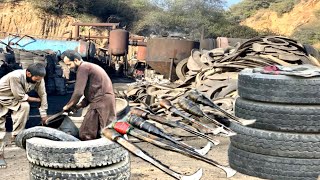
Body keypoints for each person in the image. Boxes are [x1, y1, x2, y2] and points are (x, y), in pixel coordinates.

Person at [61, 50, 116, 141]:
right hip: (100, 101)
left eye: (69, 64)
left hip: (103, 101)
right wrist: (78, 106)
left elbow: (78, 92)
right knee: (87, 132)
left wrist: (68, 105)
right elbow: (90, 93)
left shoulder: (83, 68)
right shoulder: (88, 67)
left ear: (76, 60)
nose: (69, 67)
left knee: (106, 132)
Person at [0, 63, 48, 143]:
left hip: (14, 98)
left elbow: (42, 94)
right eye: (36, 79)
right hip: (2, 97)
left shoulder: (39, 78)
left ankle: (16, 136)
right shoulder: (15, 76)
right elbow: (20, 96)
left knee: (25, 106)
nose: (38, 81)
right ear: (28, 73)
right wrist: (36, 100)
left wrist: (43, 114)